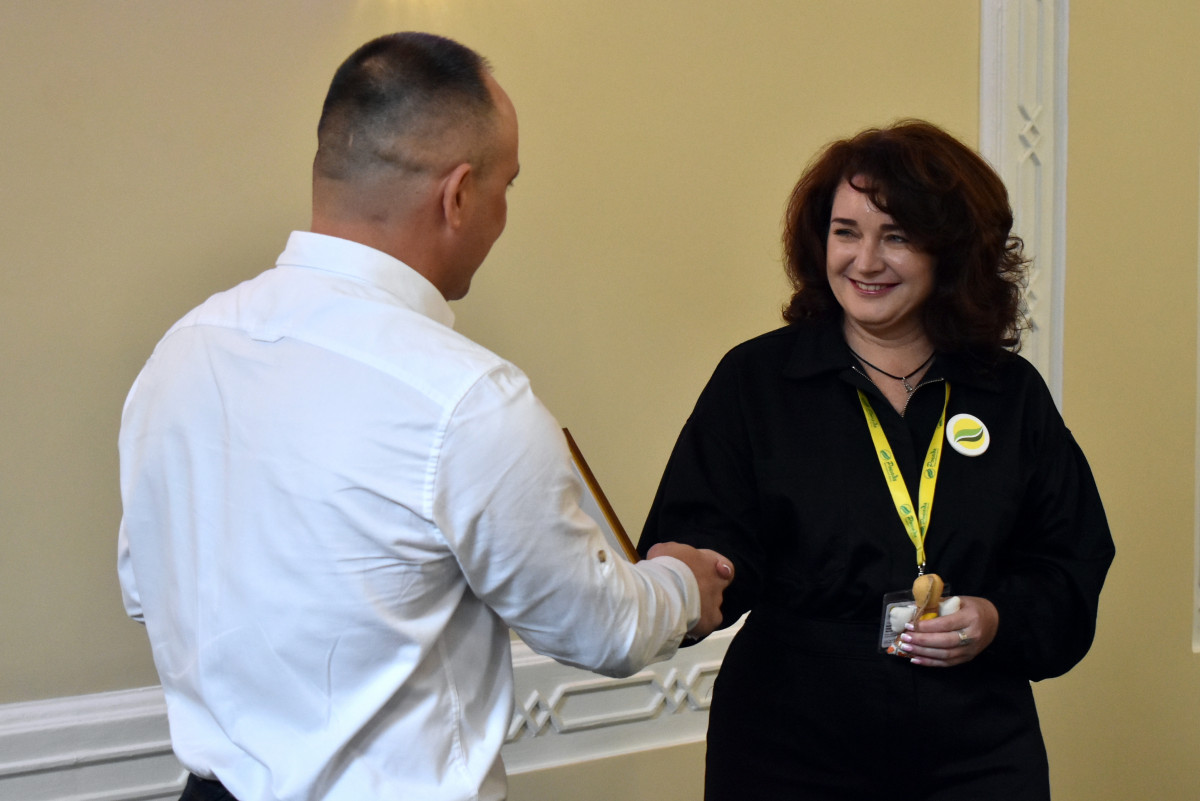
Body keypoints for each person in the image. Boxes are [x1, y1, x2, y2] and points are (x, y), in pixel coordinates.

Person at [117, 32, 732, 801]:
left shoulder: (182, 352)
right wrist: (682, 584)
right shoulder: (465, 400)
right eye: (507, 186)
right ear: (459, 195)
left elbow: (142, 585)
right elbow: (599, 628)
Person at [638, 120, 1114, 800]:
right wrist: (688, 574)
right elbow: (707, 541)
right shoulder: (757, 380)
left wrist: (995, 619)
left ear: (951, 250)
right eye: (846, 232)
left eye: (896, 236)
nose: (865, 261)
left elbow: (1069, 562)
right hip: (789, 744)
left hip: (977, 746)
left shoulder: (1009, 394)